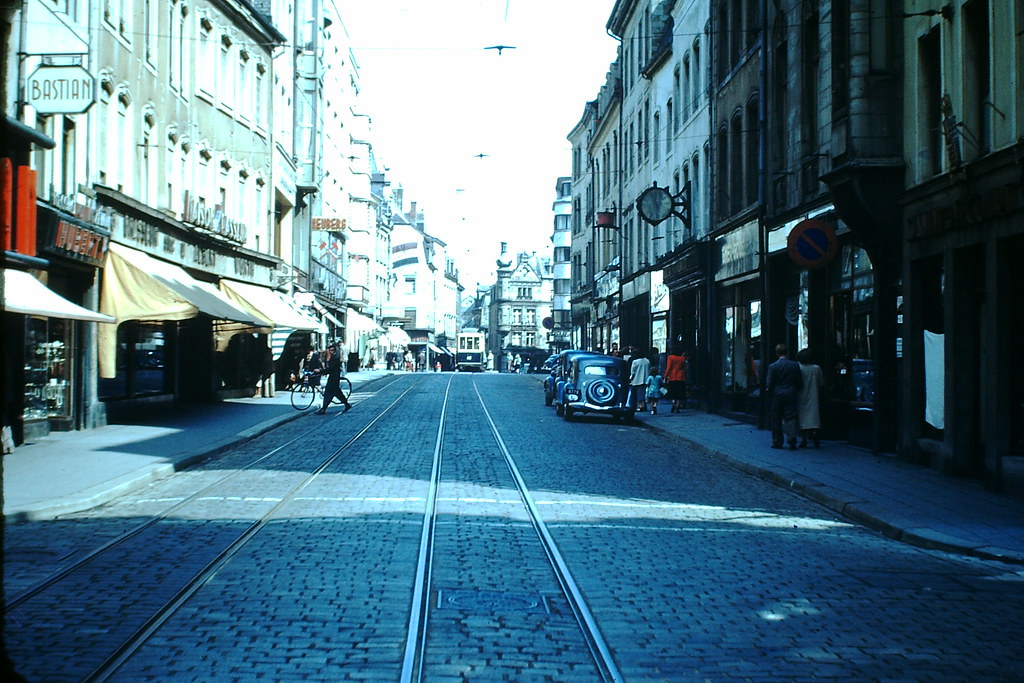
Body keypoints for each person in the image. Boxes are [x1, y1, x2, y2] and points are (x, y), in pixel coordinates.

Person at [766, 343, 803, 449]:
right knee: (790, 416)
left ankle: (777, 441)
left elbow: (770, 383)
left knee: (776, 418)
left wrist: (770, 391)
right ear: (787, 352)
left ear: (777, 353)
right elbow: (799, 381)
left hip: (777, 394)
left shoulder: (773, 366)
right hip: (791, 393)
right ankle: (792, 437)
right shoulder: (794, 365)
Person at [796, 348, 825, 448]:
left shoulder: (798, 368)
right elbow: (821, 382)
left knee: (802, 417)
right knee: (814, 417)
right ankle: (815, 437)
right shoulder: (816, 368)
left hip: (801, 395)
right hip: (814, 395)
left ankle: (803, 439)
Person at [315, 344, 352, 414]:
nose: (330, 352)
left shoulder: (335, 358)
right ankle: (347, 404)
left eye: (332, 350)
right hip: (334, 378)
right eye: (330, 350)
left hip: (333, 378)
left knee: (328, 393)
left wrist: (320, 371)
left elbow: (331, 369)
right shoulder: (334, 357)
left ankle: (323, 409)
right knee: (337, 393)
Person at [664, 345, 687, 413]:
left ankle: (673, 404)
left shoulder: (670, 357)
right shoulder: (682, 358)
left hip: (672, 377)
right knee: (679, 393)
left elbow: (668, 368)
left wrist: (665, 376)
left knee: (673, 392)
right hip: (681, 377)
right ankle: (677, 406)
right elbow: (684, 368)